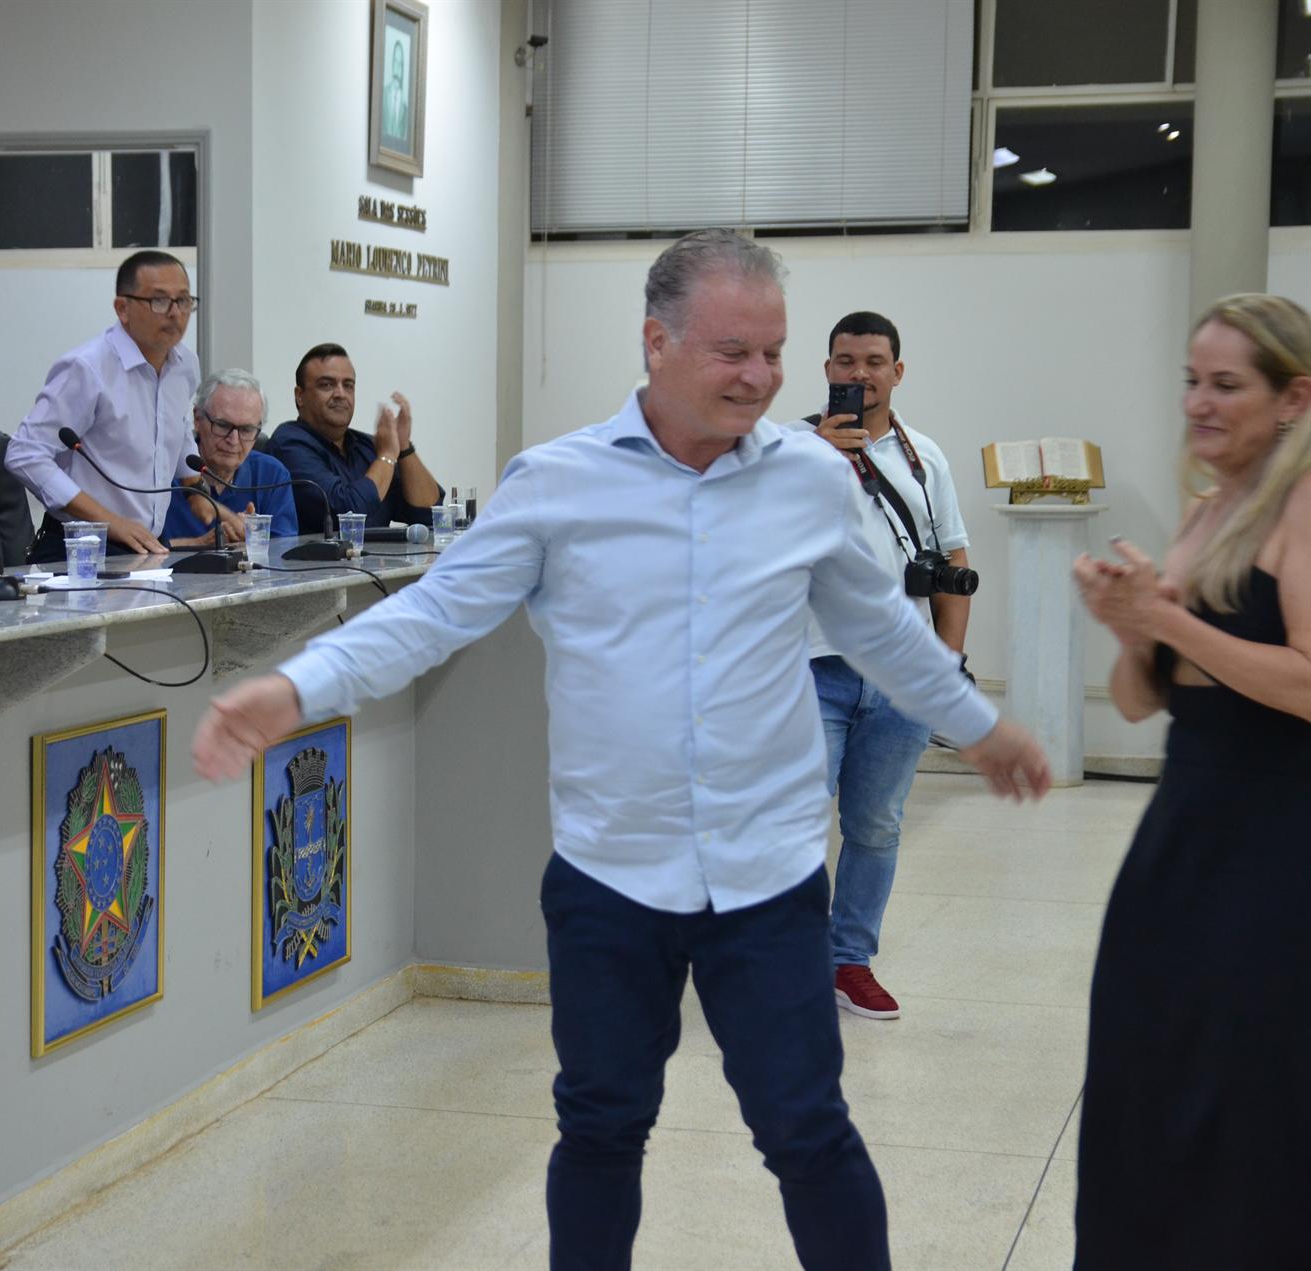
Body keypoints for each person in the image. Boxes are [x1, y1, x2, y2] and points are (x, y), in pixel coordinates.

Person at [195, 230, 1050, 1270]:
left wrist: (978, 722)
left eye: (774, 352)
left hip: (768, 879)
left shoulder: (810, 482)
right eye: (733, 350)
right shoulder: (560, 483)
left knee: (808, 1130)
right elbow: (433, 612)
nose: (762, 376)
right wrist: (297, 686)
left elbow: (880, 630)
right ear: (656, 341)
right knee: (601, 1130)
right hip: (612, 879)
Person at [1071, 293, 1311, 1268]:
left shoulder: (1304, 507)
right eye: (1190, 380)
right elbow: (1141, 702)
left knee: (1245, 1091)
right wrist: (1132, 631)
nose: (1198, 404)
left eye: (1225, 384)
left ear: (1295, 398)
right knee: (1149, 1069)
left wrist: (1168, 622)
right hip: (1183, 835)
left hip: (1277, 841)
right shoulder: (1211, 510)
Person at [793, 312, 973, 1021]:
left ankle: (849, 960)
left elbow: (952, 559)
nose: (859, 373)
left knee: (876, 824)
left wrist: (948, 661)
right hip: (812, 668)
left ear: (897, 372)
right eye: (845, 361)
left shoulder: (926, 459)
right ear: (827, 370)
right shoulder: (786, 452)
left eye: (873, 361)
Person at [6, 249, 200, 560]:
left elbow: (176, 429)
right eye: (159, 300)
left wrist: (198, 494)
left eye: (184, 301)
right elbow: (24, 454)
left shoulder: (185, 365)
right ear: (123, 308)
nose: (175, 313)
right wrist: (108, 521)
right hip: (81, 547)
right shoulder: (87, 367)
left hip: (148, 544)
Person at [267, 343, 440, 535]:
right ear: (300, 396)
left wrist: (404, 447)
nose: (340, 394)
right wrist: (388, 456)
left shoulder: (368, 446)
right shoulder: (289, 443)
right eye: (327, 385)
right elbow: (347, 514)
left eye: (348, 385)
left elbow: (431, 515)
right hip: (316, 555)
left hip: (375, 555)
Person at [161, 370, 297, 548]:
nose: (233, 440)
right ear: (197, 419)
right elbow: (134, 552)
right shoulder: (162, 471)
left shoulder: (272, 475)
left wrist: (252, 537)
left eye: (246, 430)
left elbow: (284, 552)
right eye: (222, 425)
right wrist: (199, 544)